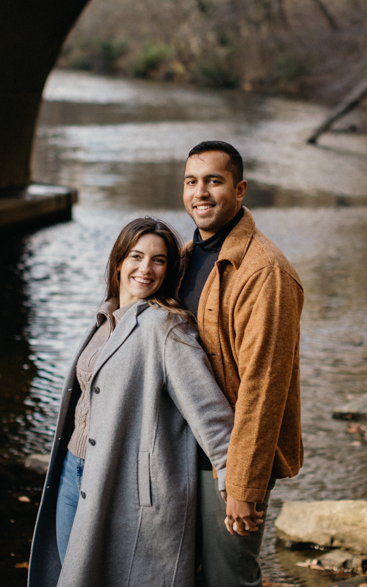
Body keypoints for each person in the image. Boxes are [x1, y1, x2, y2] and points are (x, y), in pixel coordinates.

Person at [28, 217, 236, 587]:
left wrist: (237, 489)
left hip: (120, 482)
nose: (145, 268)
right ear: (119, 261)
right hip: (72, 473)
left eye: (158, 260)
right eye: (136, 256)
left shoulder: (166, 327)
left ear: (169, 270)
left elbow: (211, 415)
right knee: (70, 574)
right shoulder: (106, 317)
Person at [179, 140, 304, 587]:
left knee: (228, 580)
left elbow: (264, 385)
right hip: (179, 452)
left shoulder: (264, 271)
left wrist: (244, 486)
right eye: (192, 182)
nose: (201, 193)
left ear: (240, 189)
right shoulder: (185, 257)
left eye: (214, 181)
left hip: (227, 462)